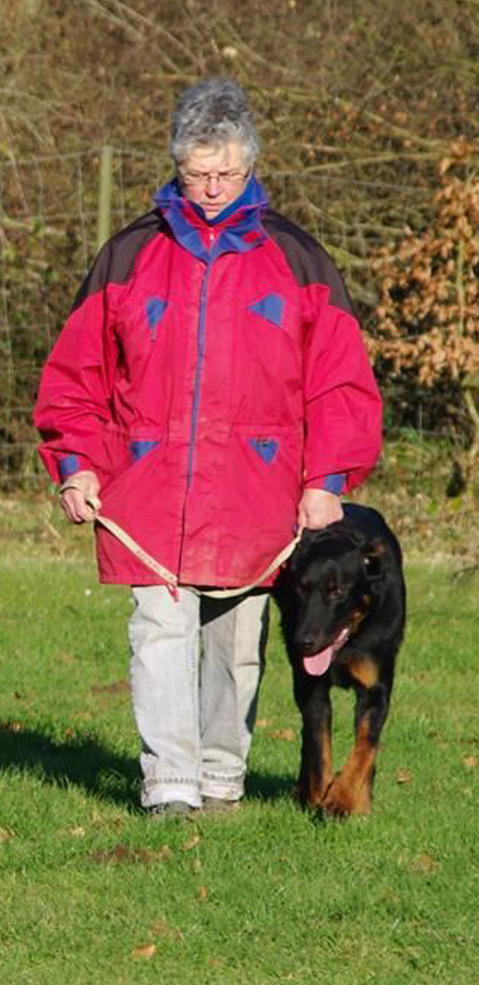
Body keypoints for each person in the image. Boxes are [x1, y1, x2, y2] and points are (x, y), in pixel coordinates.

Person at [33, 77, 382, 818]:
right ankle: (171, 784)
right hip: (148, 484)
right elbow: (76, 376)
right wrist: (75, 463)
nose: (212, 188)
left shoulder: (299, 259)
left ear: (250, 164)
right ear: (176, 166)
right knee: (158, 627)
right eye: (197, 174)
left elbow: (341, 384)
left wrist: (326, 479)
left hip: (260, 488)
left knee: (237, 638)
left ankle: (222, 773)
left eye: (225, 173)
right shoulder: (129, 254)